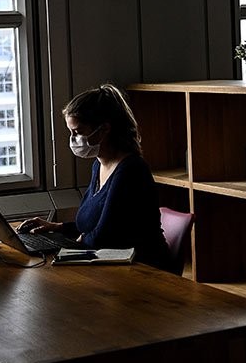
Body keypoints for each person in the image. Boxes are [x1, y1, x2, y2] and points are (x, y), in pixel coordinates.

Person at [18, 83, 171, 271]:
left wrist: (78, 243)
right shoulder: (98, 165)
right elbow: (94, 223)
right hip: (110, 263)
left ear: (104, 129)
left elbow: (105, 234)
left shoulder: (130, 170)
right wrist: (57, 227)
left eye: (77, 132)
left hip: (143, 268)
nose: (73, 139)